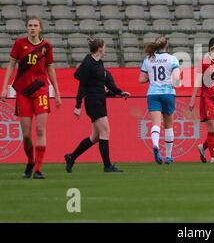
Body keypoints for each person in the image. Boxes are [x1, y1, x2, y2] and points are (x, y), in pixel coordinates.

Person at [1, 17, 62, 179]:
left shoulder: (46, 46)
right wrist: (5, 87)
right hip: (23, 92)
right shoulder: (20, 44)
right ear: (26, 28)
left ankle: (38, 169)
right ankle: (30, 161)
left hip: (41, 91)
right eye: (30, 26)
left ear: (40, 28)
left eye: (35, 26)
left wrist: (56, 92)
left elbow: (50, 68)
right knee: (26, 135)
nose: (32, 28)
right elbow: (11, 65)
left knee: (40, 130)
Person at [64, 38, 130, 173]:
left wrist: (120, 92)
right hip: (93, 101)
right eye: (104, 47)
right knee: (105, 131)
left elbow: (108, 84)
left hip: (100, 100)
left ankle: (71, 157)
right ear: (100, 48)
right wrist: (78, 105)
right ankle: (107, 166)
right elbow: (81, 85)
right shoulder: (88, 63)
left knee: (94, 137)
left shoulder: (99, 63)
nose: (105, 50)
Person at [139, 37, 180, 164]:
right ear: (167, 46)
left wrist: (151, 77)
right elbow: (176, 81)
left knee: (156, 124)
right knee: (168, 125)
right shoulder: (172, 59)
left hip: (153, 94)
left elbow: (141, 79)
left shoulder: (148, 59)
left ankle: (156, 145)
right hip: (168, 93)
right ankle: (168, 156)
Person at [189, 38, 214, 163]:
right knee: (212, 129)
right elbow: (198, 81)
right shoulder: (204, 62)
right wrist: (193, 99)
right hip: (208, 98)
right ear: (211, 50)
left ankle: (203, 147)